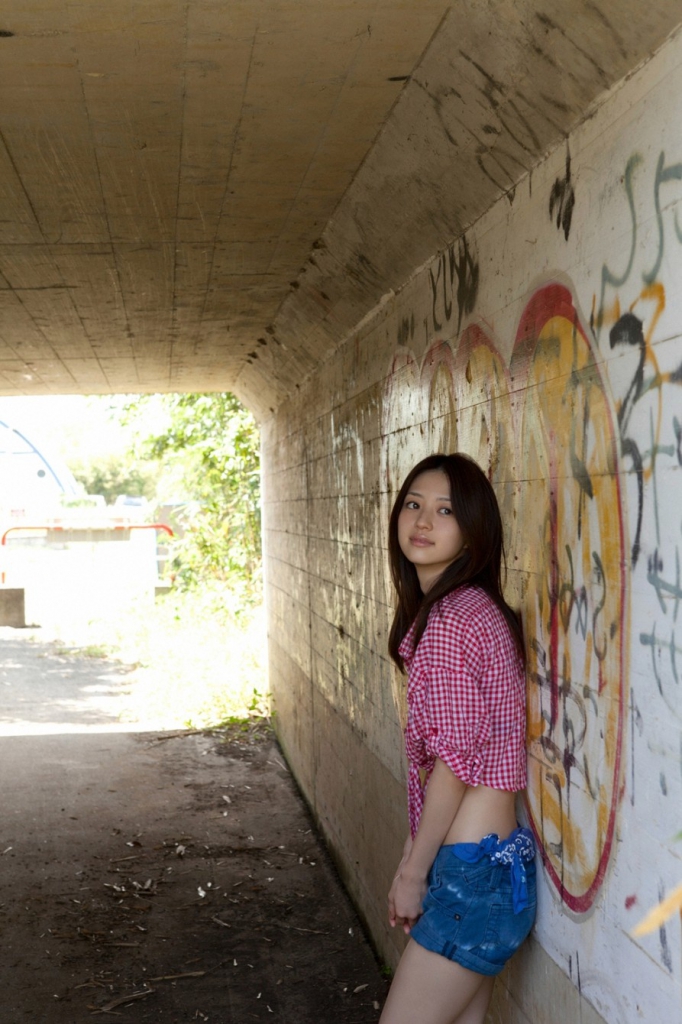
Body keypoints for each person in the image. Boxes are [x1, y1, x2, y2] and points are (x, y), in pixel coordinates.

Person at [379, 453, 536, 1024]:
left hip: (473, 874)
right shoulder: (471, 609)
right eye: (413, 504)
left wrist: (412, 873)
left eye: (445, 511)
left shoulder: (450, 621)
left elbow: (453, 765)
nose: (423, 521)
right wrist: (416, 857)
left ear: (473, 531)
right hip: (490, 866)